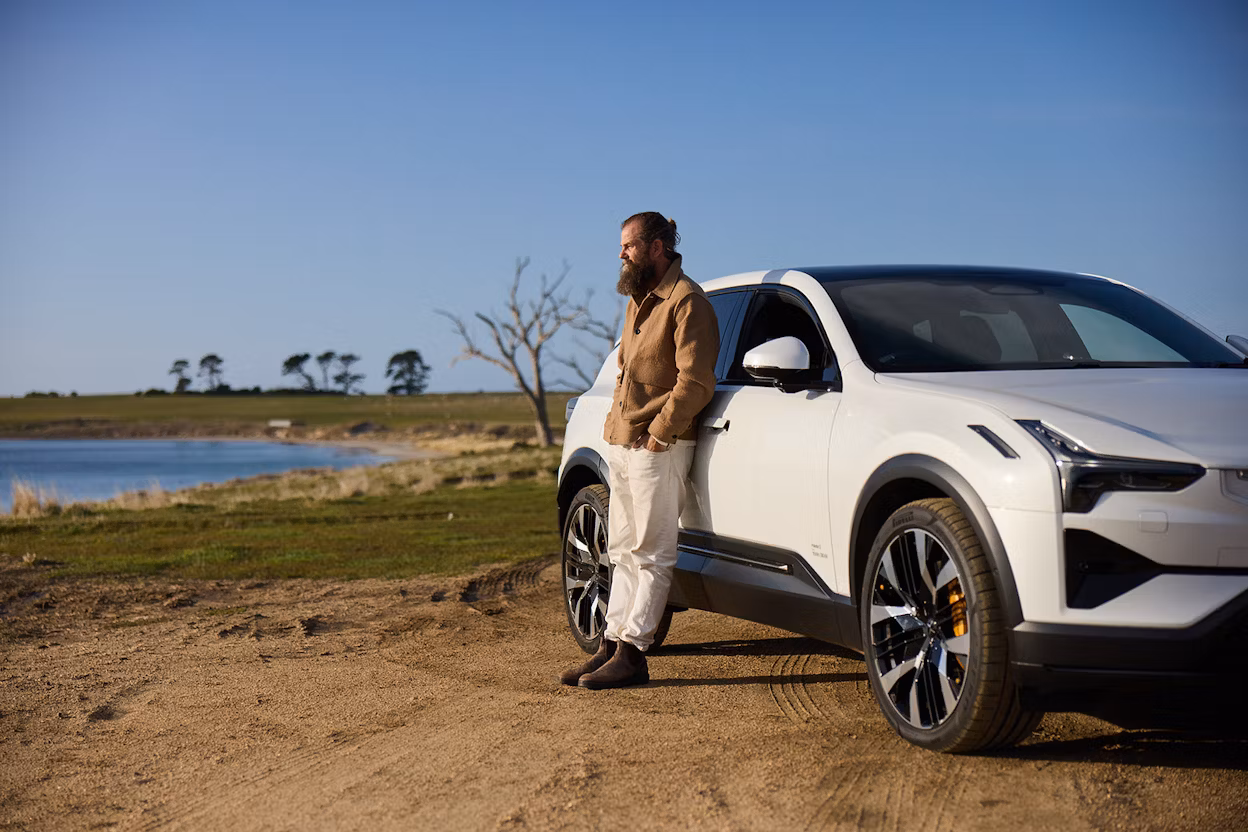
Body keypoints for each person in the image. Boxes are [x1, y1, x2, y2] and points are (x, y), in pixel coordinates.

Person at [560, 212, 719, 690]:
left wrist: (658, 433)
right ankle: (611, 644)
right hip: (624, 444)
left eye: (628, 246)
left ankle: (634, 654)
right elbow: (626, 375)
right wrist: (616, 432)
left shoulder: (687, 302)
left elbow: (696, 382)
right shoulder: (638, 303)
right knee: (623, 548)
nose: (621, 254)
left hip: (659, 447)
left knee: (652, 552)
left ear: (656, 247)